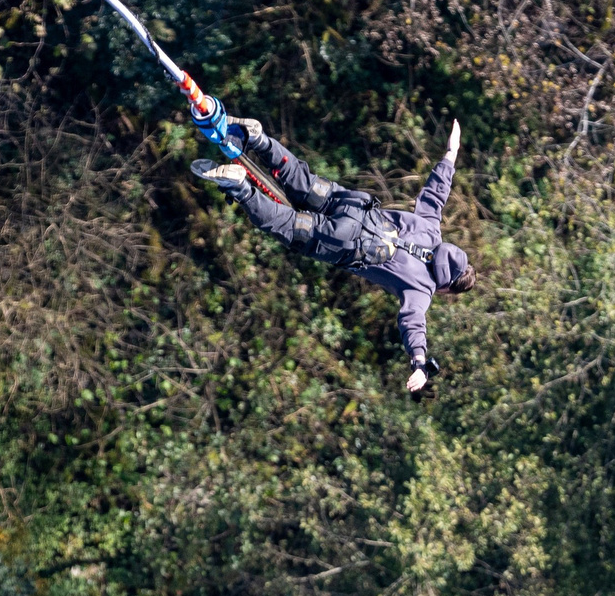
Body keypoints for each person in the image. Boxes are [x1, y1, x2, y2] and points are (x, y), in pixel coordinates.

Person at [194, 117, 471, 393]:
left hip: (354, 205)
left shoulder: (431, 228)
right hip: (342, 240)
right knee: (286, 224)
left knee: (302, 180)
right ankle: (241, 188)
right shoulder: (422, 291)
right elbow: (413, 325)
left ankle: (259, 139)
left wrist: (451, 154)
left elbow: (436, 193)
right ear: (448, 287)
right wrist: (419, 364)